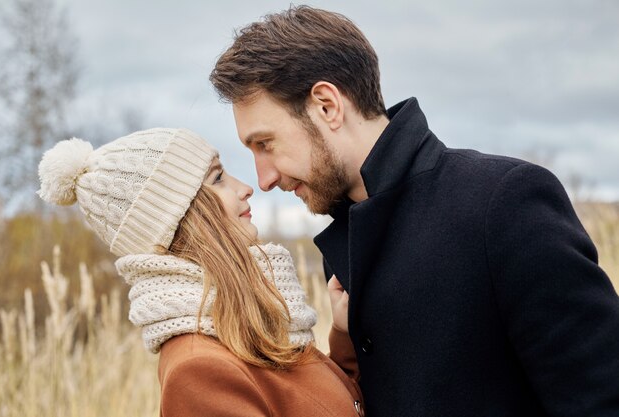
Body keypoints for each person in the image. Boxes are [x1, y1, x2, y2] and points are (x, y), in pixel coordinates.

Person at [209, 5, 619, 417]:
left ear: (327, 106)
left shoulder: (504, 201)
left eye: (265, 144)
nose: (263, 179)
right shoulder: (346, 240)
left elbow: (600, 398)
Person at [37, 127, 364, 417]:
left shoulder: (246, 322)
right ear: (180, 218)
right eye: (218, 178)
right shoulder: (199, 370)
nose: (246, 188)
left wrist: (344, 335)